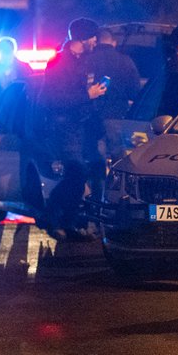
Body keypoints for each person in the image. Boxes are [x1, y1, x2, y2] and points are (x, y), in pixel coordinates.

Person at [37, 18, 107, 240]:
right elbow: (53, 99)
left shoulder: (83, 61)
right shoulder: (59, 62)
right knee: (77, 174)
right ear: (84, 38)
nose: (96, 41)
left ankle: (68, 223)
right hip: (64, 127)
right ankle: (51, 216)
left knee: (82, 174)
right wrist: (88, 95)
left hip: (82, 127)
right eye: (94, 37)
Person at [85, 28, 142, 193]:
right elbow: (135, 91)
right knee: (120, 161)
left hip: (92, 118)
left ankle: (97, 198)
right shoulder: (125, 61)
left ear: (97, 41)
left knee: (96, 161)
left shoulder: (88, 60)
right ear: (114, 42)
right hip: (117, 117)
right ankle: (119, 197)